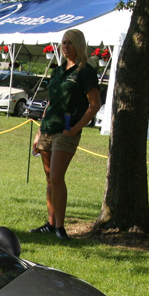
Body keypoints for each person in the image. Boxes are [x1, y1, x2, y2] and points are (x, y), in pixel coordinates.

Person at [29, 28, 101, 241]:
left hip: (66, 132)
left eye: (70, 43)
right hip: (48, 128)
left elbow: (95, 105)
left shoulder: (85, 71)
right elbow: (51, 102)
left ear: (78, 45)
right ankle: (50, 224)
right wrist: (39, 131)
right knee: (49, 179)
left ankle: (60, 227)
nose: (66, 46)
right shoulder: (58, 71)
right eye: (63, 43)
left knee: (57, 178)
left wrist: (75, 129)